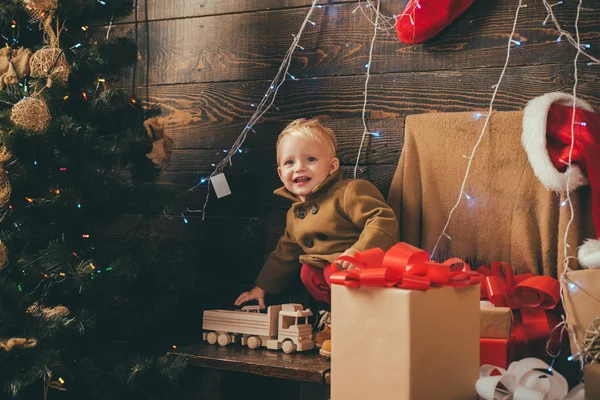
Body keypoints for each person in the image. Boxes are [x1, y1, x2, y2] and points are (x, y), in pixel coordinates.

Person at [234, 118, 399, 356]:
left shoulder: (349, 192)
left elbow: (382, 218)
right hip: (333, 283)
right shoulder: (294, 216)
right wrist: (261, 287)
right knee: (308, 271)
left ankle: (365, 325)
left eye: (310, 159)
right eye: (290, 162)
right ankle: (338, 322)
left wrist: (358, 251)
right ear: (281, 174)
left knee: (333, 271)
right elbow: (285, 254)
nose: (300, 168)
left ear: (332, 167)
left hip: (365, 272)